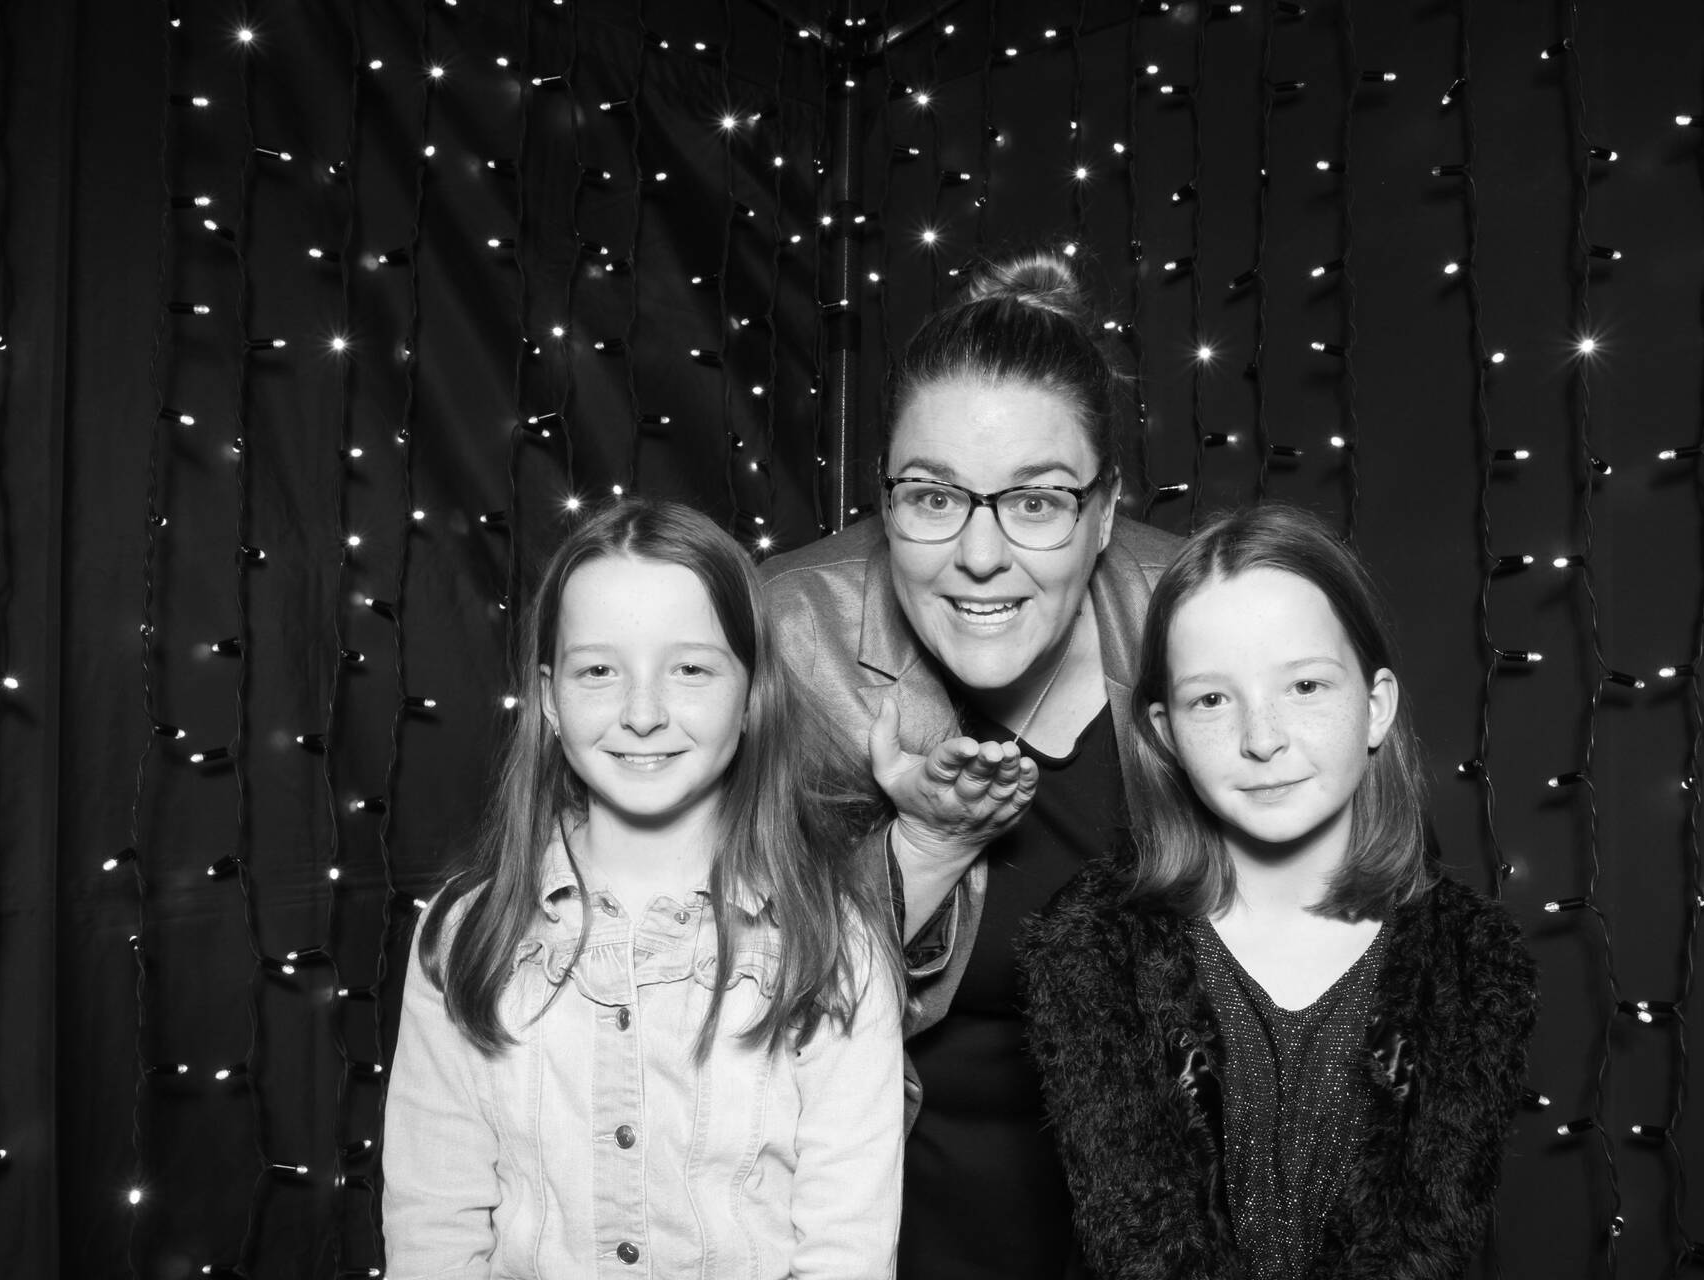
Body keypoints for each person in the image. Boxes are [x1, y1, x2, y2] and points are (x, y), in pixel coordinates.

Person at [762, 249, 1182, 1277]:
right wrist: (922, 849)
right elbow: (708, 998)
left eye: (1036, 501)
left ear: (1105, 510)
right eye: (934, 496)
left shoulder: (1205, 618)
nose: (980, 556)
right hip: (860, 1237)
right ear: (885, 499)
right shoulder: (781, 638)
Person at [383, 499, 904, 1278]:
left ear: (752, 693)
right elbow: (434, 1227)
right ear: (550, 698)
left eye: (690, 669)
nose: (643, 714)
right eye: (599, 671)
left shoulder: (832, 945)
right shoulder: (467, 935)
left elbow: (846, 1253)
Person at [1020, 503, 1538, 1280]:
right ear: (1164, 731)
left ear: (1376, 706)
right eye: (1211, 700)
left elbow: (1425, 1246)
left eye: (1304, 685)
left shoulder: (1469, 963)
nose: (1262, 739)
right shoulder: (1095, 949)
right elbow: (1145, 1243)